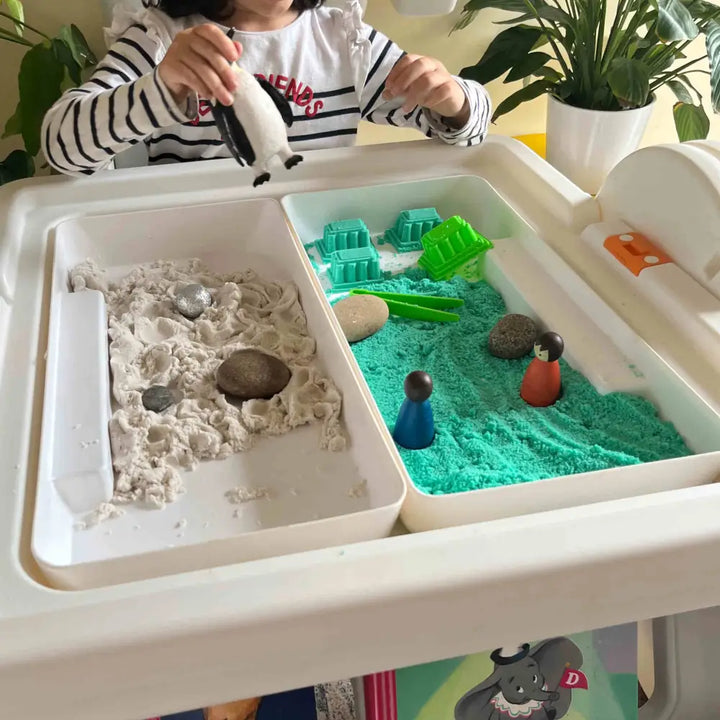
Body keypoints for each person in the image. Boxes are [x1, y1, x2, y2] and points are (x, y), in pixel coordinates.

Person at [41, 0, 491, 177]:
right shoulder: (162, 39)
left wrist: (453, 100)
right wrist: (162, 88)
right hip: (200, 243)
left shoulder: (345, 40)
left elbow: (471, 132)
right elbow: (60, 148)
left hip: (316, 243)